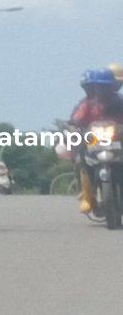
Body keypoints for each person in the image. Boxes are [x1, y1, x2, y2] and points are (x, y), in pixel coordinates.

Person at [63, 67, 123, 215]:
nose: (103, 90)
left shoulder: (120, 102)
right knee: (80, 160)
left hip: (117, 142)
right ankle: (88, 195)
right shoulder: (87, 104)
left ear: (113, 86)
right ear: (94, 87)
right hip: (93, 142)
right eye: (99, 86)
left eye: (106, 86)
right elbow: (74, 121)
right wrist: (74, 129)